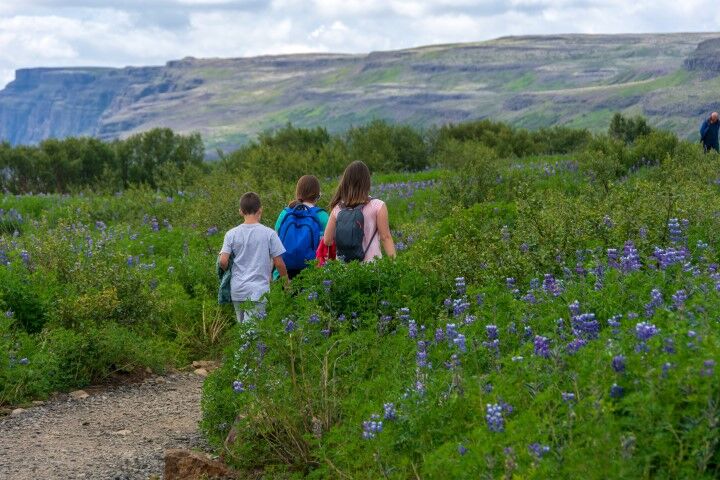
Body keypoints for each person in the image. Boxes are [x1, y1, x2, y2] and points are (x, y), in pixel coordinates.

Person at [219, 192, 288, 323]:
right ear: (260, 210)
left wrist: (227, 268)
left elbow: (223, 261)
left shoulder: (231, 234)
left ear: (240, 211)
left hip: (237, 289)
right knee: (252, 332)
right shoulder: (269, 234)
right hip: (258, 291)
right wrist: (286, 282)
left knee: (243, 328)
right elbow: (278, 263)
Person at [322, 161, 396, 262]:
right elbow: (385, 237)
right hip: (371, 267)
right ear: (367, 182)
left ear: (345, 182)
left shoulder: (338, 208)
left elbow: (327, 240)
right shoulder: (378, 205)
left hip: (344, 270)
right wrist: (394, 263)